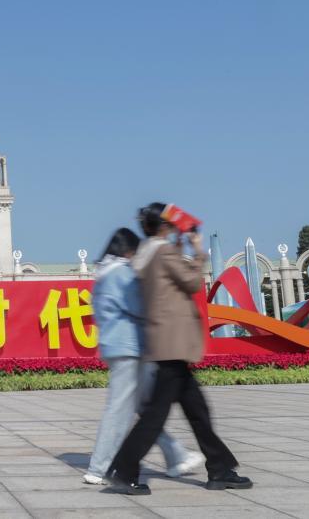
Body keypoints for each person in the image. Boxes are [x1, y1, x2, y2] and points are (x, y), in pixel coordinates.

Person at [106, 203, 252, 495]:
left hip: (164, 342)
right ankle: (124, 470)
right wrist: (197, 251)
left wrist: (180, 245)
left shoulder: (148, 253)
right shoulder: (163, 252)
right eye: (171, 223)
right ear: (165, 226)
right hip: (173, 344)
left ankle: (220, 468)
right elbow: (192, 282)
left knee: (198, 410)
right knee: (157, 414)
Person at [83, 228, 203, 485]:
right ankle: (99, 467)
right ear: (128, 250)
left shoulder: (103, 273)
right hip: (130, 347)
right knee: (120, 410)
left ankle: (176, 456)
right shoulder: (121, 273)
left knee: (146, 409)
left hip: (115, 346)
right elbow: (139, 307)